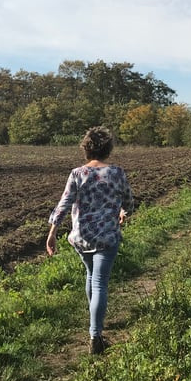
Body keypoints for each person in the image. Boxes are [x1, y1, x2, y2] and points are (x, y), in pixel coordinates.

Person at [47, 126, 134, 354]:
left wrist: (52, 233)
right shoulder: (117, 173)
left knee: (90, 276)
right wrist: (124, 212)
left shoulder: (77, 174)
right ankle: (95, 336)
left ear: (86, 148)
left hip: (81, 238)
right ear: (108, 149)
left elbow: (64, 204)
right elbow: (129, 202)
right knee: (100, 284)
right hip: (107, 237)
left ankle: (95, 318)